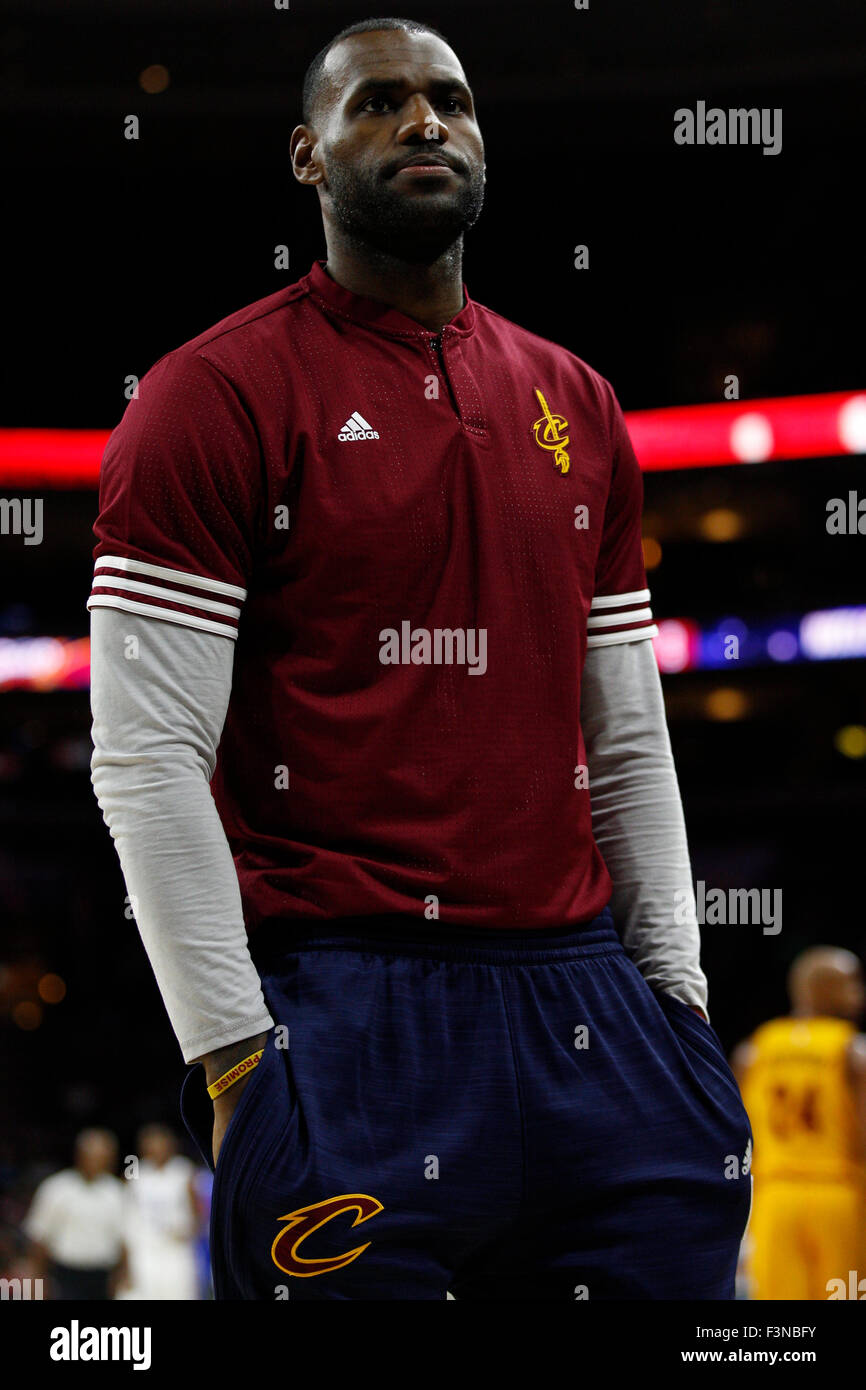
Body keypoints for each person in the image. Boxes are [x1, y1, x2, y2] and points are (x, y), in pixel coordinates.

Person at [87, 16, 751, 1299]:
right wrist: (234, 1060)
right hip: (342, 1008)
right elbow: (146, 756)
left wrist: (677, 1009)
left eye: (447, 99)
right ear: (307, 155)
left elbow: (624, 739)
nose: (424, 123)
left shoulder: (580, 401)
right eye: (377, 103)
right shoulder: (207, 396)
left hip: (592, 1006)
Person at [733, 947, 866, 1300]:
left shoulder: (755, 1050)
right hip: (837, 1192)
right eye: (851, 983)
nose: (859, 993)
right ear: (820, 988)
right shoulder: (854, 1052)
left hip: (774, 1198)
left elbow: (738, 1134)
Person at [23, 1129, 126, 1300]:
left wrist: (122, 1277)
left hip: (103, 1277)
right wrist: (37, 1282)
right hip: (65, 1275)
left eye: (104, 1157)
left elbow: (124, 1240)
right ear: (79, 1155)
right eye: (93, 1156)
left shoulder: (117, 1193)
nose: (98, 1162)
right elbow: (38, 1238)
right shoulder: (56, 1188)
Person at [120, 1124, 199, 1300]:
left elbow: (196, 1214)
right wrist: (125, 1264)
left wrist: (188, 1230)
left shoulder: (183, 1170)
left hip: (176, 1249)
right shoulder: (134, 1172)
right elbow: (127, 1218)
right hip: (144, 1249)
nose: (157, 1149)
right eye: (151, 1143)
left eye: (161, 1143)